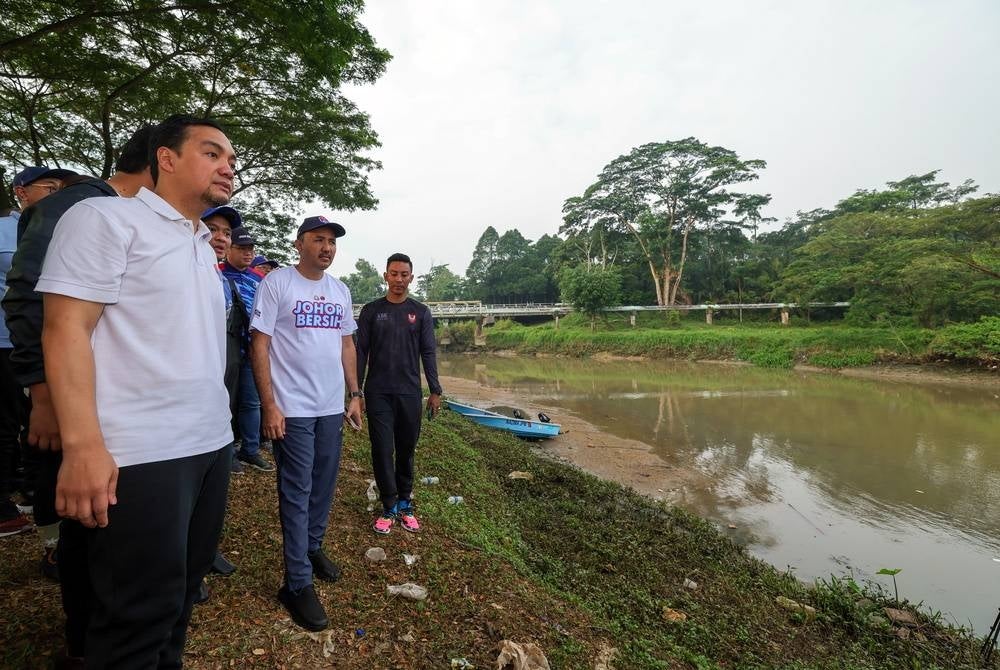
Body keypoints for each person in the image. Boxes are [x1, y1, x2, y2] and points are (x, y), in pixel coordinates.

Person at [36, 114, 234, 668]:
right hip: (141, 453)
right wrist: (82, 446)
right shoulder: (105, 218)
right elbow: (65, 329)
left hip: (209, 445)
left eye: (232, 160)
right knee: (135, 619)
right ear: (166, 159)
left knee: (178, 601)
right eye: (212, 153)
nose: (228, 168)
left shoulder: (200, 240)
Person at [2, 128, 155, 666]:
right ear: (160, 163)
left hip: (103, 393)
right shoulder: (81, 206)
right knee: (79, 519)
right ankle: (85, 640)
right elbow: (25, 297)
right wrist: (42, 392)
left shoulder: (131, 218)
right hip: (64, 394)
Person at [249, 215, 362, 631]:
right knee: (296, 489)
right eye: (318, 239)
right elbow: (259, 343)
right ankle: (296, 582)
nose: (327, 247)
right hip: (292, 408)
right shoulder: (277, 283)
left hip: (331, 406)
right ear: (300, 244)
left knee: (324, 481)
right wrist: (269, 404)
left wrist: (354, 395)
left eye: (332, 241)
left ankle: (313, 547)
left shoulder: (339, 290)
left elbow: (346, 343)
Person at [1, 166, 73, 537]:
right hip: (16, 345)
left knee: (44, 429)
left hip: (58, 346)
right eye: (51, 187)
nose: (57, 193)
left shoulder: (67, 226)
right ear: (21, 192)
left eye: (60, 187)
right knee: (21, 427)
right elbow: (22, 296)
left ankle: (33, 491)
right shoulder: (11, 229)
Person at [356, 253, 442, 534]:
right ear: (385, 276)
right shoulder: (371, 311)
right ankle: (389, 506)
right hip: (378, 391)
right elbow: (360, 352)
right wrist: (356, 392)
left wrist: (434, 390)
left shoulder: (421, 312)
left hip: (408, 392)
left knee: (406, 450)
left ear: (411, 278)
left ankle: (405, 503)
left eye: (404, 275)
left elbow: (428, 352)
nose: (398, 279)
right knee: (382, 450)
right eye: (394, 274)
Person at [220, 227, 272, 472]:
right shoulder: (216, 273)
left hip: (253, 349)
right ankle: (227, 451)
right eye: (242, 248)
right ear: (229, 248)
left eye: (250, 248)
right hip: (225, 347)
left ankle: (250, 449)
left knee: (251, 401)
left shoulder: (260, 279)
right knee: (225, 401)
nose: (248, 253)